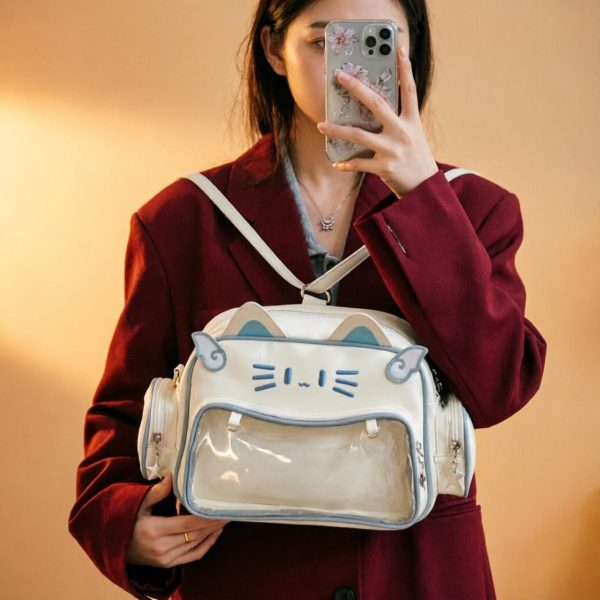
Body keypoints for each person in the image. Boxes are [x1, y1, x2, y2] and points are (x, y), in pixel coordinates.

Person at [68, 0, 547, 598]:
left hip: (415, 571)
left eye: (377, 41)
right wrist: (124, 523)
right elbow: (124, 412)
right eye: (325, 42)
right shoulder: (183, 218)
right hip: (245, 570)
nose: (350, 73)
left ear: (412, 51)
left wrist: (421, 196)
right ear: (274, 50)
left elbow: (497, 389)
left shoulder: (474, 209)